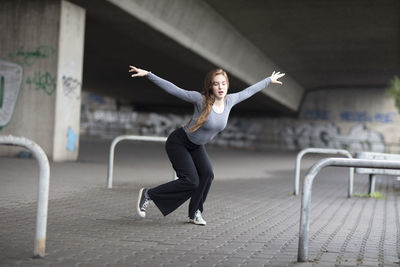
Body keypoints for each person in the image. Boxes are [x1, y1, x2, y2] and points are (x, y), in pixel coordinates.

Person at [129, 66, 285, 225]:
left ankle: (195, 212)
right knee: (191, 181)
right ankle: (149, 194)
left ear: (227, 85)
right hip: (179, 143)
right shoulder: (200, 100)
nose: (220, 87)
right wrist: (149, 74)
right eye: (216, 84)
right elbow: (175, 90)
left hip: (196, 146)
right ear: (210, 86)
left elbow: (249, 91)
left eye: (223, 83)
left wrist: (269, 80)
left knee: (207, 175)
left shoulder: (230, 100)